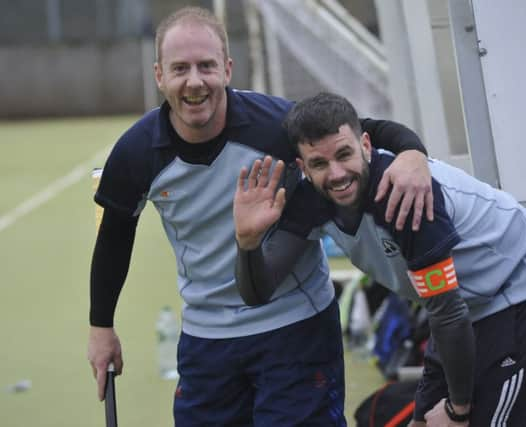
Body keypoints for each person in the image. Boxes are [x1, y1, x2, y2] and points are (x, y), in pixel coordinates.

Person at [87, 7, 436, 426]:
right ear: (159, 75)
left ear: (228, 70)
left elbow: (365, 130)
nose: (194, 81)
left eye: (206, 66)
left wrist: (414, 153)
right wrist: (101, 326)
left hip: (295, 328)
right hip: (207, 337)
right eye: (180, 69)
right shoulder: (137, 151)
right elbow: (114, 235)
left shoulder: (275, 124)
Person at [233, 92, 526, 426]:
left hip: (525, 283)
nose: (336, 174)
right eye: (320, 163)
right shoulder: (311, 200)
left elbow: (449, 314)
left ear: (365, 145)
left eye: (344, 154)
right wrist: (247, 243)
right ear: (302, 166)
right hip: (461, 304)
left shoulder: (402, 196)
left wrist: (458, 410)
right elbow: (259, 291)